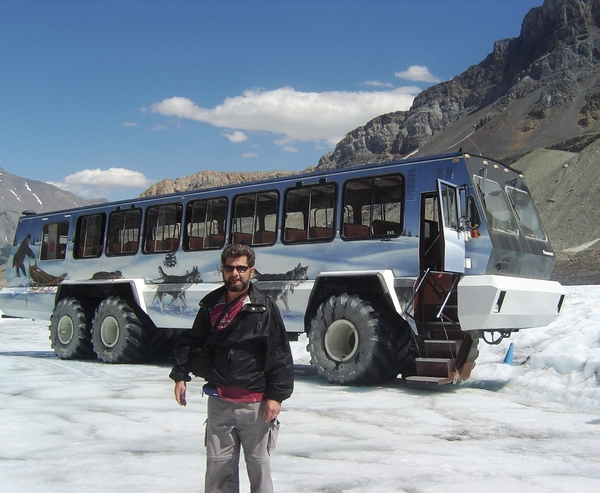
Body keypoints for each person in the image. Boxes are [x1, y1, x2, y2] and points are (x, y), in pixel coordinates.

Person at [170, 244, 294, 493]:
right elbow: (193, 341)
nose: (235, 273)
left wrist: (276, 396)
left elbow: (279, 354)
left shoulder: (264, 307)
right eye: (229, 268)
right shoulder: (211, 304)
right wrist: (180, 375)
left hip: (255, 405)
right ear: (223, 270)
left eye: (241, 268)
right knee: (218, 469)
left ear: (251, 271)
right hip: (219, 403)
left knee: (259, 468)